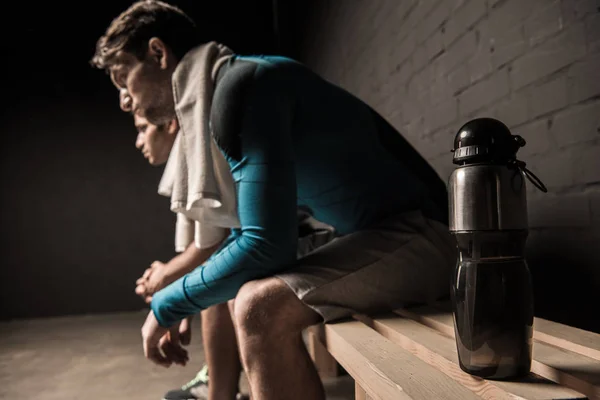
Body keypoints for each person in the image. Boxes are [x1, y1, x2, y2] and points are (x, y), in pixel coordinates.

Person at [91, 2, 455, 399]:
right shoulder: (230, 84)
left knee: (257, 306)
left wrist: (166, 304)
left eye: (123, 78)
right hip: (375, 235)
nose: (125, 100)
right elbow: (256, 239)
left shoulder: (243, 86)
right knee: (235, 284)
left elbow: (266, 246)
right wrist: (183, 298)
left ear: (159, 54)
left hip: (427, 237)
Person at [130, 114, 334, 400]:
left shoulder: (208, 141)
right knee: (222, 281)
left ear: (170, 124)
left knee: (241, 294)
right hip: (293, 240)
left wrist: (169, 289)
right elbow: (212, 244)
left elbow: (224, 243)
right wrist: (171, 283)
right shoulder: (191, 153)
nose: (138, 141)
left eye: (142, 129)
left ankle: (222, 392)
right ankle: (220, 390)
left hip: (313, 238)